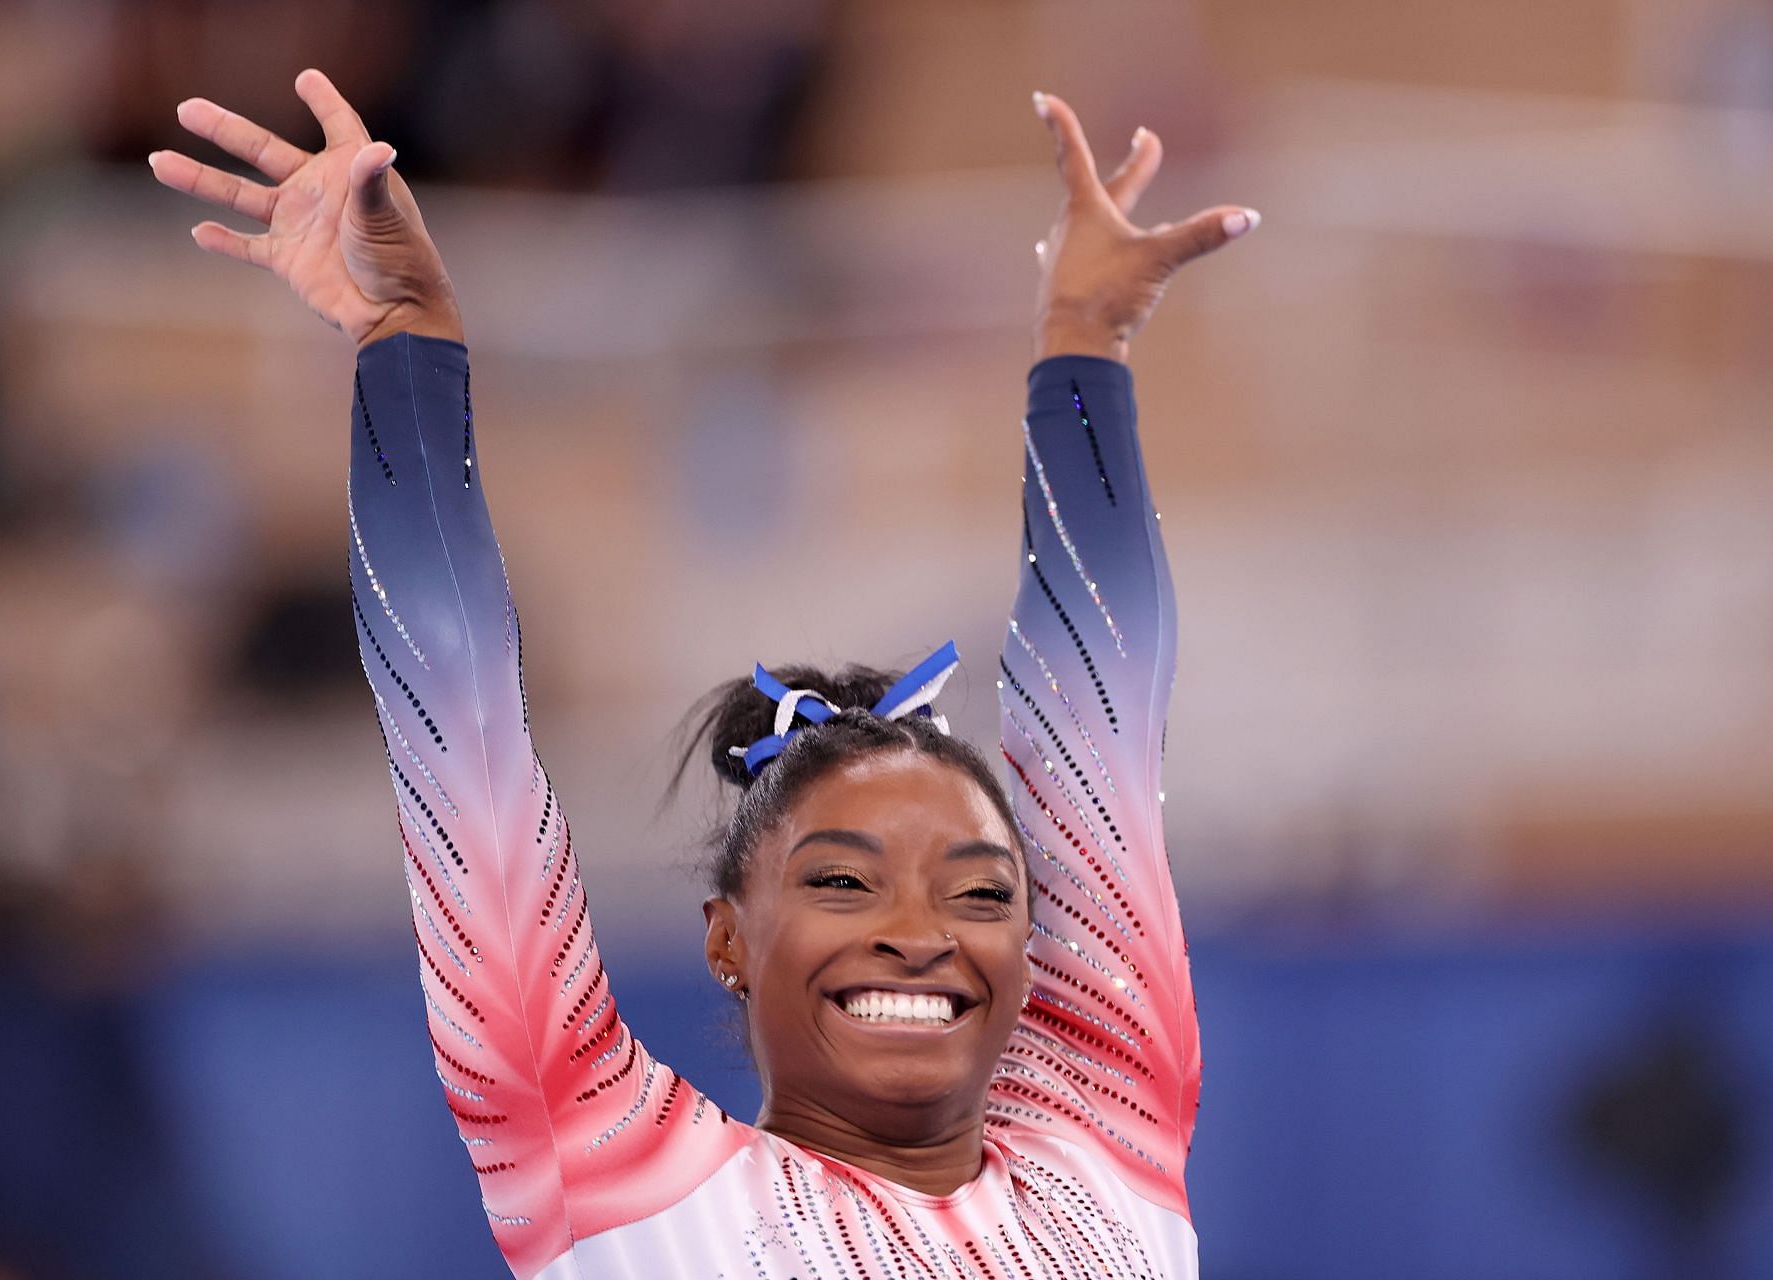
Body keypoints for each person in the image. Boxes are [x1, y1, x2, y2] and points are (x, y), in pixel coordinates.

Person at [151, 68, 1258, 1280]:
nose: (918, 934)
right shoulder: (620, 1178)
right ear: (729, 938)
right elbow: (460, 741)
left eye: (982, 893)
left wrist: (1084, 348)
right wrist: (403, 339)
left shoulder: (1105, 1149)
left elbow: (1098, 719)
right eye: (843, 881)